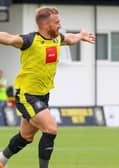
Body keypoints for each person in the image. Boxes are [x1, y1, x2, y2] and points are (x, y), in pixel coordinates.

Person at [0, 6, 96, 168]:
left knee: (26, 137)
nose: (60, 25)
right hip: (27, 95)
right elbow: (9, 38)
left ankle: (1, 160)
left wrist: (81, 36)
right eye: (57, 22)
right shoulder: (30, 41)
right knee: (51, 129)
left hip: (43, 95)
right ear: (45, 24)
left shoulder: (57, 39)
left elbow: (70, 39)